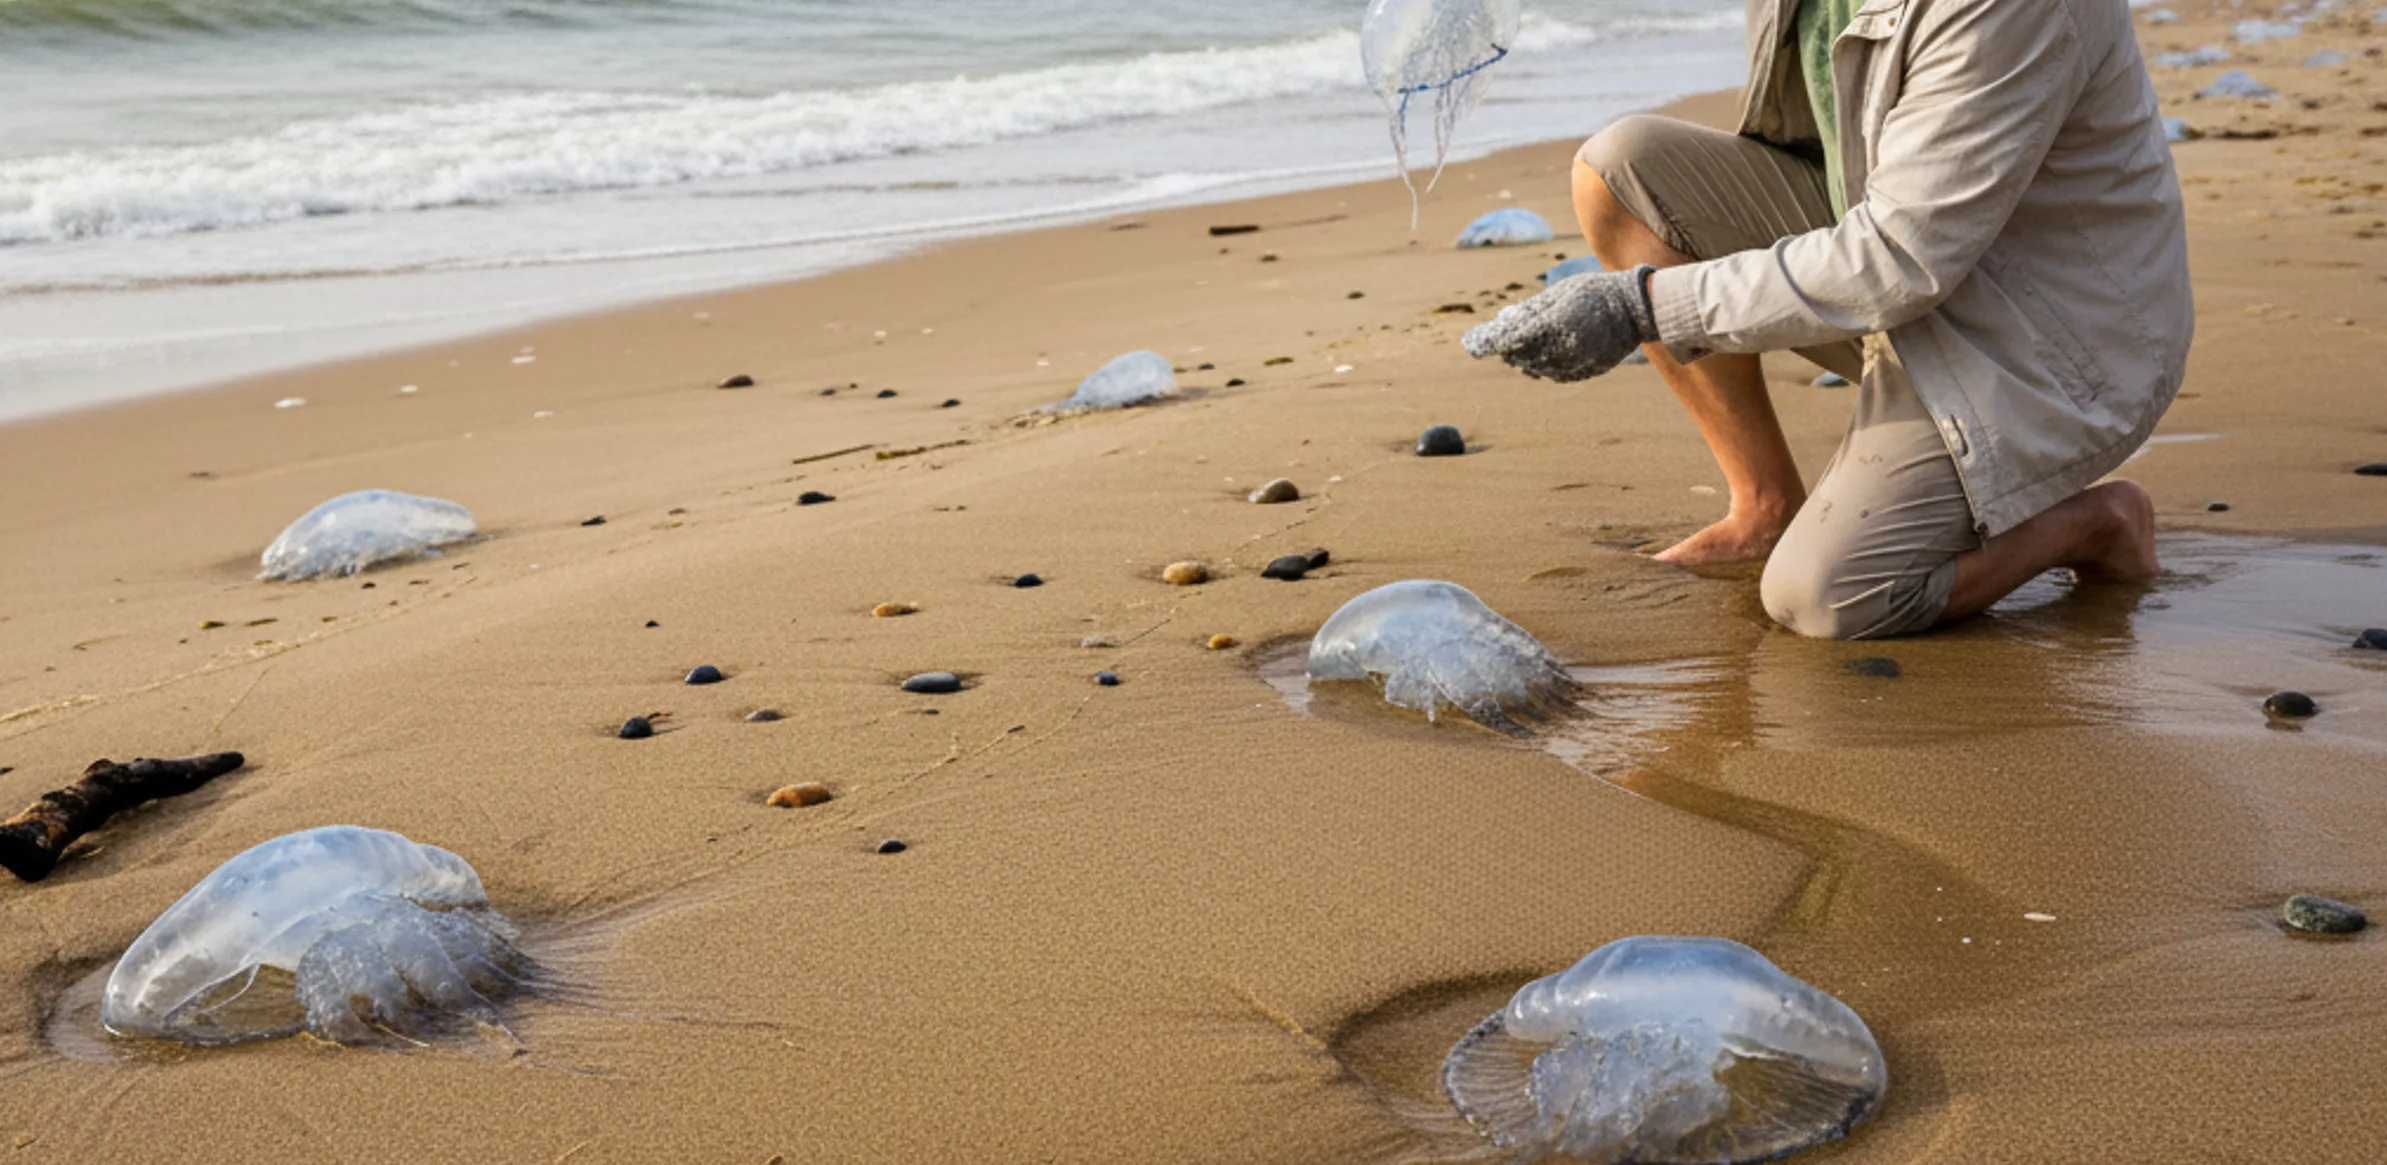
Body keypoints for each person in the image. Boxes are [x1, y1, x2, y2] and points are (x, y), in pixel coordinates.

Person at [1463, 0, 2190, 640]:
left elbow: (1902, 260)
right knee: (1621, 170)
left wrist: (1637, 306)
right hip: (1895, 256)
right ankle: (1763, 505)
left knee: (1828, 596)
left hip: (2039, 334)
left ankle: (2094, 522)